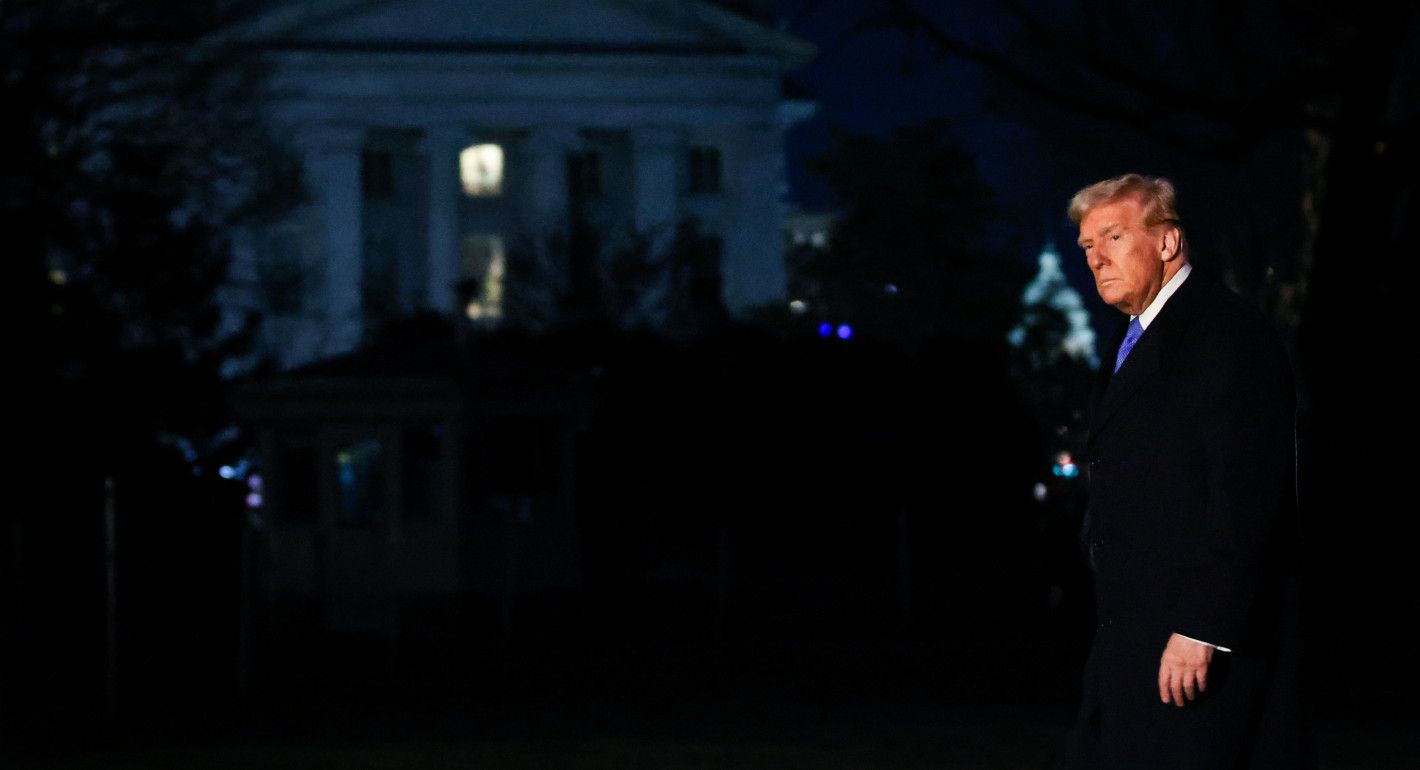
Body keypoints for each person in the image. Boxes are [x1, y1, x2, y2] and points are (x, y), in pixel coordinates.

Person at [1061, 174, 1315, 769]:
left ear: (1168, 243)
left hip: (1195, 648)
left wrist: (1205, 627)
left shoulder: (1228, 337)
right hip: (1129, 640)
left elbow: (1249, 494)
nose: (1096, 258)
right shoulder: (1136, 341)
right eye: (1087, 246)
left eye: (1114, 237)